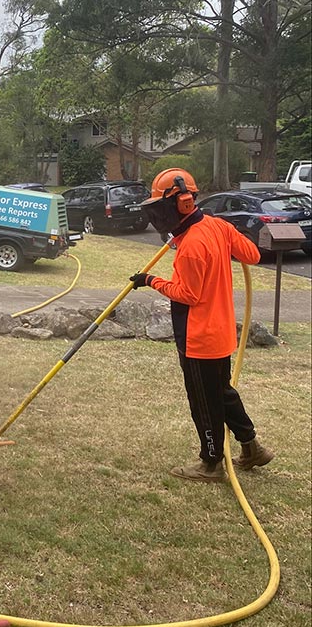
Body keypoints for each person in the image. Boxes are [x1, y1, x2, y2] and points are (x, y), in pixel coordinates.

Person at [129, 168, 275, 482]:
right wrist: (229, 234)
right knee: (222, 392)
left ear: (179, 205)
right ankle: (252, 448)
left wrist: (150, 280)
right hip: (220, 334)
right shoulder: (217, 227)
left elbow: (187, 295)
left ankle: (210, 464)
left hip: (199, 338)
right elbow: (251, 254)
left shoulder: (191, 247)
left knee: (204, 403)